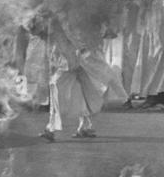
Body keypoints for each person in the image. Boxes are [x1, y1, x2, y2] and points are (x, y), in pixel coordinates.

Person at [32, 10, 118, 141]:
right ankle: (85, 126)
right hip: (72, 58)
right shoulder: (67, 12)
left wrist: (81, 48)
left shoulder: (62, 14)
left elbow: (71, 34)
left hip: (69, 59)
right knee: (82, 89)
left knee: (56, 87)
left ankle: (51, 128)